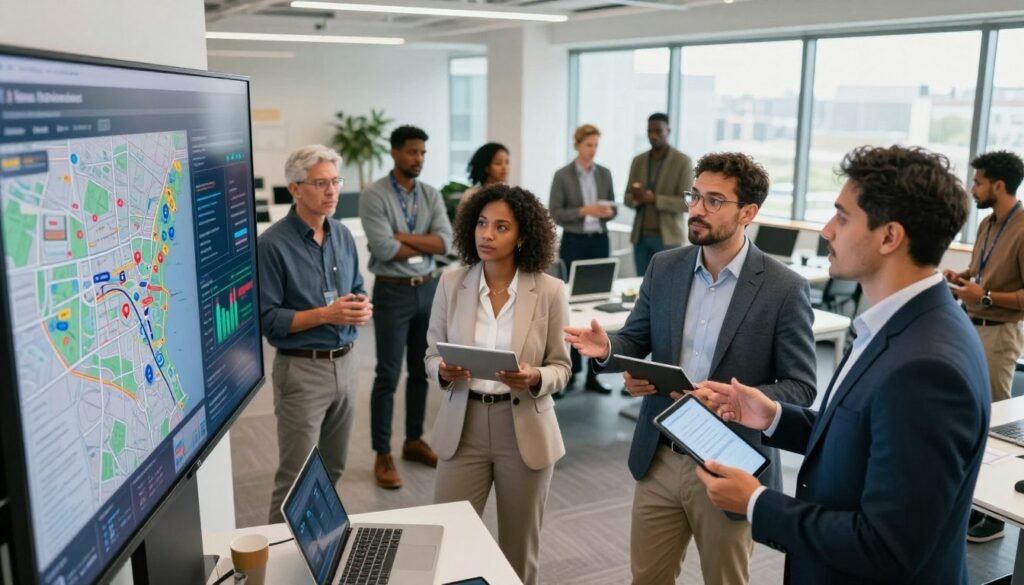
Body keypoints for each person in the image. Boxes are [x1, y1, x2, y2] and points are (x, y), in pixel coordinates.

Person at [697, 145, 990, 584]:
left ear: (889, 237)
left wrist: (756, 502)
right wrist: (773, 416)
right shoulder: (901, 325)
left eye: (842, 217)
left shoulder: (926, 368)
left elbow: (888, 547)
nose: (826, 230)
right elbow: (860, 438)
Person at [565, 152, 817, 585]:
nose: (697, 209)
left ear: (748, 213)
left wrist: (740, 399)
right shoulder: (665, 267)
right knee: (647, 579)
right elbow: (635, 340)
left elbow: (801, 386)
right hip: (659, 454)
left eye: (714, 201)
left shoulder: (784, 288)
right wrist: (608, 349)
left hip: (730, 462)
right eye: (694, 196)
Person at [425, 184, 570, 585]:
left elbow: (562, 367)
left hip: (522, 428)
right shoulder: (451, 284)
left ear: (522, 236)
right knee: (449, 542)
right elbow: (430, 354)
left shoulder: (550, 291)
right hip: (463, 425)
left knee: (518, 550)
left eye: (501, 227)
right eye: (482, 224)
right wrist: (442, 371)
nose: (487, 234)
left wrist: (535, 376)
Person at [259, 144, 372, 523]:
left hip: (348, 363)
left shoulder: (342, 234)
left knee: (334, 467)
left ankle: (317, 542)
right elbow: (269, 320)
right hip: (302, 370)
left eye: (336, 181)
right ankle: (278, 550)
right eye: (321, 183)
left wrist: (362, 306)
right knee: (296, 478)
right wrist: (326, 314)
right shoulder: (272, 245)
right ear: (295, 188)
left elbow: (357, 287)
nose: (332, 191)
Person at [360, 125, 453, 489]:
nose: (419, 159)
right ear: (395, 153)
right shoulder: (374, 195)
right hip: (392, 292)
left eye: (423, 153)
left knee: (421, 370)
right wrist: (420, 242)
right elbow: (384, 249)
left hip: (427, 290)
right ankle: (382, 453)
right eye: (413, 152)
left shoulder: (430, 194)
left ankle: (414, 440)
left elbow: (445, 243)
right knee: (387, 374)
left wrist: (402, 236)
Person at [942, 149, 1024, 543]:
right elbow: (980, 271)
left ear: (999, 185)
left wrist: (986, 296)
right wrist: (962, 277)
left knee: (994, 424)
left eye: (978, 182)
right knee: (969, 416)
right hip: (970, 326)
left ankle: (995, 519)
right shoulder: (988, 224)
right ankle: (974, 503)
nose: (972, 189)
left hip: (999, 333)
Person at [548, 123, 617, 393]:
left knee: (599, 303)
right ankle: (571, 371)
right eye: (588, 145)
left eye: (596, 145)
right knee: (572, 307)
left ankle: (593, 374)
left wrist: (606, 212)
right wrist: (585, 210)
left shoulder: (605, 173)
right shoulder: (562, 175)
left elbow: (612, 208)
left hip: (599, 240)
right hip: (574, 242)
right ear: (577, 145)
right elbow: (555, 213)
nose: (593, 150)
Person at [625, 112, 693, 275]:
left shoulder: (682, 161)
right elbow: (627, 197)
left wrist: (656, 199)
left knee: (668, 283)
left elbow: (687, 203)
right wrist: (637, 199)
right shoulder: (638, 161)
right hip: (640, 237)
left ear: (668, 131)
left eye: (658, 131)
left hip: (668, 238)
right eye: (650, 131)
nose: (653, 136)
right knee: (641, 283)